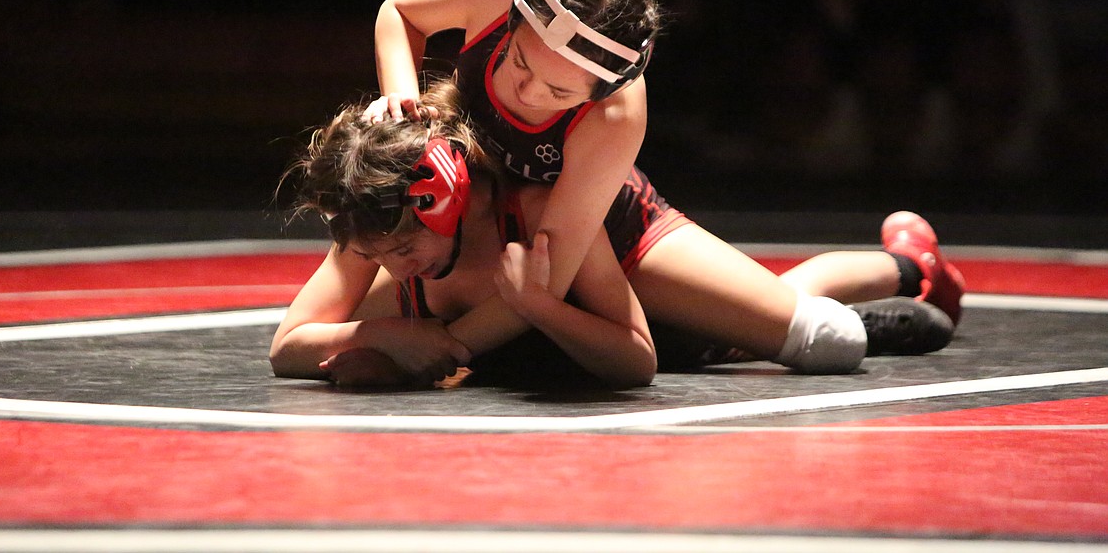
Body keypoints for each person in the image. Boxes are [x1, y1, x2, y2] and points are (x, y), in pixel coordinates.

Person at [358, 0, 964, 360]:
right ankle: (720, 334)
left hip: (601, 226)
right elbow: (400, 13)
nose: (527, 92)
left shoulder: (618, 115)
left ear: (600, 91)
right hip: (483, 213)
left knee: (807, 334)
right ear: (512, 20)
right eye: (518, 61)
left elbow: (555, 268)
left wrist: (444, 352)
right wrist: (402, 99)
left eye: (559, 91)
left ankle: (915, 270)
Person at [271, 81, 961, 389]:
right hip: (571, 320)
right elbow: (287, 347)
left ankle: (913, 269)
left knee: (812, 338)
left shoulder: (539, 211)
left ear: (443, 194)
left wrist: (535, 304)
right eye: (370, 256)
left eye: (396, 252)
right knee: (724, 331)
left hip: (621, 240)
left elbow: (637, 362)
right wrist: (382, 337)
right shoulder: (376, 224)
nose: (391, 271)